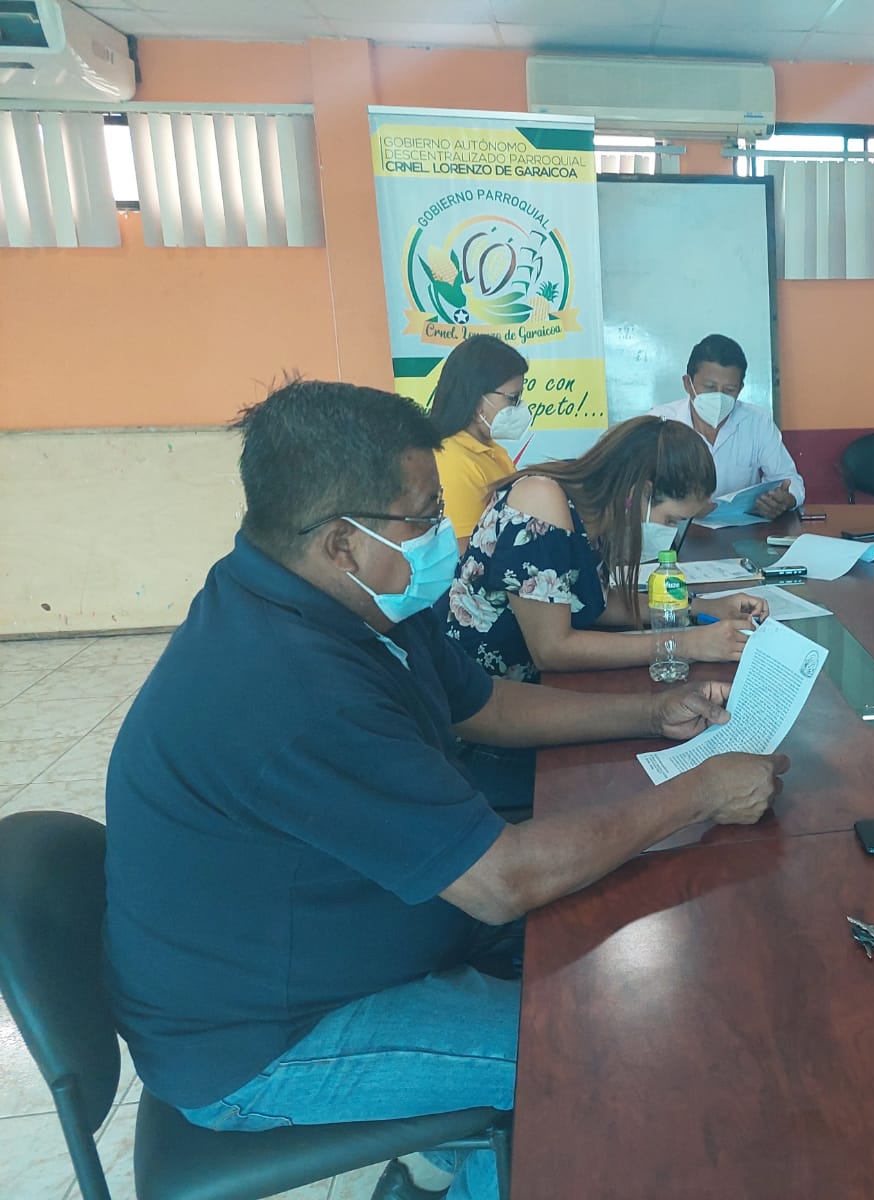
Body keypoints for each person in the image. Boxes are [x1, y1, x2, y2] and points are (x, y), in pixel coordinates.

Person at [103, 380, 787, 1200]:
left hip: (363, 938)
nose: (447, 534)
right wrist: (701, 792)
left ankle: (442, 1159)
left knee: (628, 944)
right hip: (270, 1037)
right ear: (342, 542)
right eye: (426, 516)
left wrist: (648, 712)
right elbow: (502, 881)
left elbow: (485, 704)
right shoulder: (286, 683)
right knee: (598, 1052)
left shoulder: (361, 600)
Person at [444, 415, 767, 679]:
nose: (670, 532)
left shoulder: (595, 508)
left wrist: (699, 608)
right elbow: (552, 649)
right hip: (490, 693)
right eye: (671, 519)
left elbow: (591, 601)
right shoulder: (542, 502)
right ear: (640, 492)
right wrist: (684, 644)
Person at [651, 333, 805, 519]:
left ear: (740, 389)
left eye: (729, 390)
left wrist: (784, 500)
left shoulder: (757, 421)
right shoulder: (659, 423)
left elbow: (790, 480)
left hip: (742, 531)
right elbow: (637, 492)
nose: (719, 396)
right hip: (676, 529)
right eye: (709, 387)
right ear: (687, 384)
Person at [429, 334, 530, 554]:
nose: (519, 407)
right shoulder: (452, 461)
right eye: (512, 398)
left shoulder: (491, 450)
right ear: (476, 398)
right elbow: (465, 555)